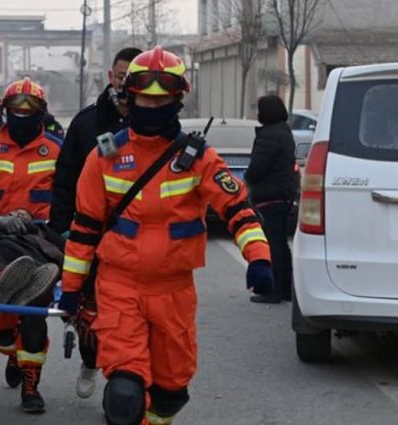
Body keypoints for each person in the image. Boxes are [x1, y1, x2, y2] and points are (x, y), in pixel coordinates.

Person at [58, 46, 274, 425]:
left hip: (174, 291)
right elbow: (85, 229)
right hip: (119, 286)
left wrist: (259, 257)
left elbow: (237, 210)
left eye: (162, 99)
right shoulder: (104, 157)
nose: (153, 106)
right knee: (125, 395)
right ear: (130, 96)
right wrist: (72, 287)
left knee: (171, 392)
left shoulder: (198, 159)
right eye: (145, 97)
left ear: (177, 100)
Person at [49, 46, 143, 399]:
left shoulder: (152, 124)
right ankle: (90, 360)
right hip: (90, 235)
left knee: (129, 319)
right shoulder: (87, 123)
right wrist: (60, 229)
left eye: (133, 79)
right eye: (122, 77)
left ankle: (123, 392)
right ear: (111, 77)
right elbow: (64, 178)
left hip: (136, 245)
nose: (126, 84)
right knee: (90, 315)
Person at [0, 77, 63, 414]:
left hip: (39, 237)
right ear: (7, 112)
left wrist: (36, 216)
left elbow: (69, 200)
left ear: (41, 113)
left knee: (34, 306)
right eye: (16, 110)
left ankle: (31, 384)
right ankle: (8, 343)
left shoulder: (56, 150)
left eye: (31, 110)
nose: (23, 115)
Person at [244, 95, 300, 305]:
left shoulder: (269, 135)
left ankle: (274, 290)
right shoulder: (283, 131)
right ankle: (286, 288)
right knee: (281, 244)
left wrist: (248, 179)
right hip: (284, 193)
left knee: (273, 244)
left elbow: (258, 167)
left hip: (271, 195)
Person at [0, 209, 64, 306]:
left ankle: (32, 288)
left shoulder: (41, 230)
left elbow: (65, 251)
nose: (17, 216)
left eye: (23, 215)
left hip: (29, 252)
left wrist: (33, 229)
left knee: (39, 267)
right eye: (13, 213)